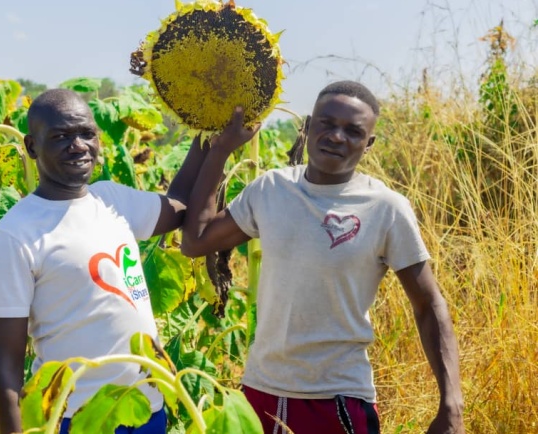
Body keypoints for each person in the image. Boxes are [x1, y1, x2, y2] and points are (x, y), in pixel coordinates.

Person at [180, 81, 465, 434]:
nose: (336, 137)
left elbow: (429, 304)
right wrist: (221, 149)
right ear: (309, 126)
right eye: (327, 124)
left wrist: (451, 404)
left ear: (369, 143)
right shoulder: (271, 189)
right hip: (259, 394)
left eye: (353, 131)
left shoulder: (386, 208)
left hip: (337, 399)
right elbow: (196, 241)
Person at [0, 89, 219, 434]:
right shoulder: (15, 235)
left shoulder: (111, 200)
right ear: (32, 147)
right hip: (75, 417)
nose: (78, 145)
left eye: (86, 134)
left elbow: (179, 203)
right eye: (61, 136)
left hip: (145, 407)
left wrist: (210, 136)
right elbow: (5, 362)